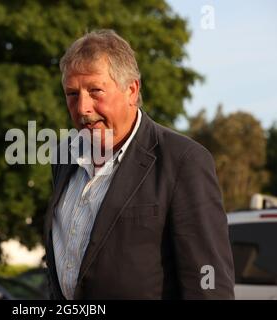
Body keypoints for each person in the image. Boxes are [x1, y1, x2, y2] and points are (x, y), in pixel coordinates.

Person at [43, 29, 235, 299]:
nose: (83, 107)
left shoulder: (183, 160)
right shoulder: (64, 157)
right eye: (72, 94)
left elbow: (209, 284)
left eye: (95, 91)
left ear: (131, 90)